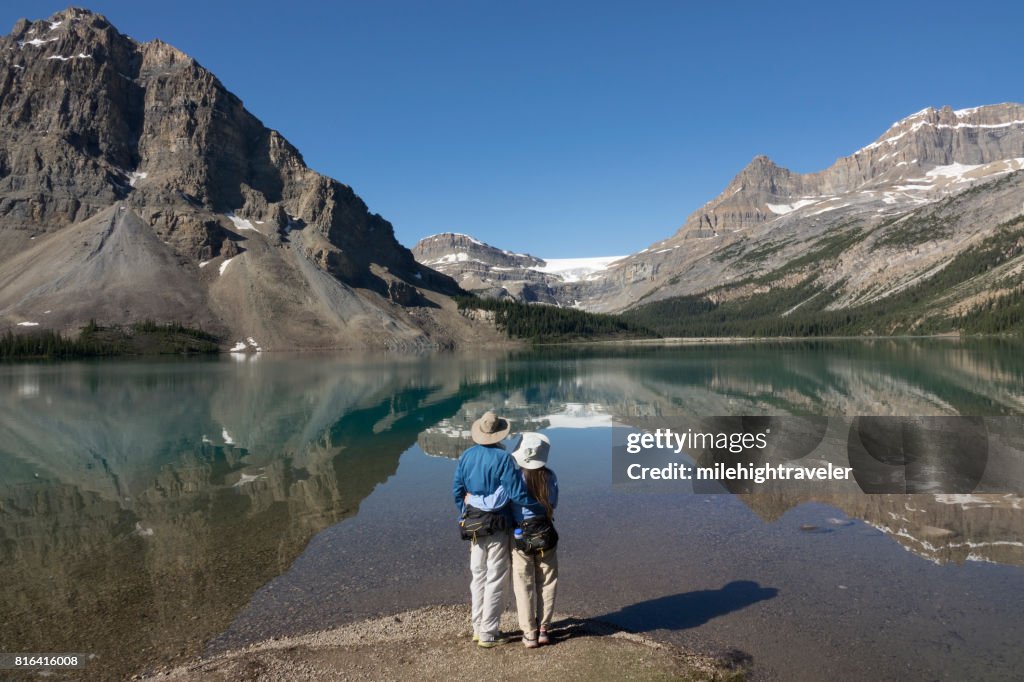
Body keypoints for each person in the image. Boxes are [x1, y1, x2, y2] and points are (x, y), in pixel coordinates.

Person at [465, 432, 559, 649]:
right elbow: (553, 503)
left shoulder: (515, 476)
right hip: (546, 533)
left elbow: (500, 501)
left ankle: (529, 634)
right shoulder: (550, 476)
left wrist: (471, 499)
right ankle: (544, 629)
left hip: (520, 537)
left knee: (523, 585)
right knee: (547, 581)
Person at [452, 411, 531, 648]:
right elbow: (516, 493)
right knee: (496, 577)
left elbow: (457, 491)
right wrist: (537, 506)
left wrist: (466, 512)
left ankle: (478, 627)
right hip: (497, 525)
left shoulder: (466, 456)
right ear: (498, 434)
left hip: (474, 525)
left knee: (478, 576)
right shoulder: (504, 459)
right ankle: (488, 633)